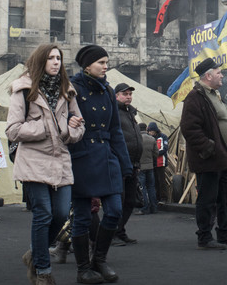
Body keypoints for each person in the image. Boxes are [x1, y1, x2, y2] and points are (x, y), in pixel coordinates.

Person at [7, 42, 85, 284]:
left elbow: (79, 124)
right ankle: (43, 271)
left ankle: (35, 253)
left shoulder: (67, 91)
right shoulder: (23, 90)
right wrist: (46, 127)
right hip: (33, 161)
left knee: (61, 215)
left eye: (59, 58)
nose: (56, 62)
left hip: (60, 160)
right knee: (43, 214)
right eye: (51, 58)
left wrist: (72, 129)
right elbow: (12, 129)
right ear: (41, 61)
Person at [68, 44, 132, 284]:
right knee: (83, 217)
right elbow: (63, 122)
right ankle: (83, 269)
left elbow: (115, 129)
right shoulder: (72, 88)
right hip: (81, 157)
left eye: (107, 62)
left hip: (107, 156)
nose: (106, 67)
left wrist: (125, 164)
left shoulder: (107, 90)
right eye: (101, 63)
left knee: (114, 210)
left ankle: (100, 261)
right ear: (87, 65)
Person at [179, 57, 227, 251]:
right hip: (209, 159)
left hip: (223, 156)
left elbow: (223, 123)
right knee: (207, 199)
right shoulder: (195, 97)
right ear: (208, 76)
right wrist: (208, 147)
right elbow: (190, 128)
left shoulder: (215, 95)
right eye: (219, 73)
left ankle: (225, 235)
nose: (222, 76)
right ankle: (205, 237)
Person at [112, 83, 142, 245]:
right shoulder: (114, 112)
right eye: (125, 94)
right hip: (119, 164)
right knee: (119, 201)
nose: (128, 96)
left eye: (130, 94)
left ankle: (120, 230)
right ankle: (113, 233)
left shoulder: (131, 113)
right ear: (116, 96)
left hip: (133, 163)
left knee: (130, 201)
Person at [137, 122, 158, 215]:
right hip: (150, 167)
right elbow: (156, 154)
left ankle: (145, 208)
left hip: (140, 167)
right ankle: (154, 207)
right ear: (146, 129)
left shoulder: (137, 139)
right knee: (151, 187)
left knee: (142, 188)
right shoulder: (152, 139)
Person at [148, 122, 170, 206]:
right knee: (155, 181)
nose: (150, 133)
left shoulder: (163, 137)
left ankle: (164, 198)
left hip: (161, 162)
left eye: (151, 131)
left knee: (161, 181)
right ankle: (157, 197)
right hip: (153, 163)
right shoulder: (150, 138)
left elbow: (165, 148)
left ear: (155, 130)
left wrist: (156, 153)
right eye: (149, 131)